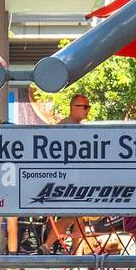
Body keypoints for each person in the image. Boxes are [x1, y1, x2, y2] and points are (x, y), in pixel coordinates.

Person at [45, 92, 92, 249]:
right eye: (84, 107)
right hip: (67, 181)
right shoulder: (66, 127)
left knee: (78, 217)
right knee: (71, 216)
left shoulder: (75, 127)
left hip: (75, 180)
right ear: (73, 107)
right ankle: (47, 245)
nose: (87, 110)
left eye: (88, 107)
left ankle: (75, 252)